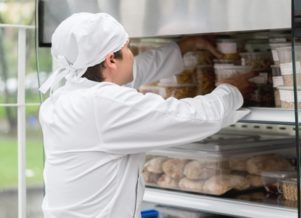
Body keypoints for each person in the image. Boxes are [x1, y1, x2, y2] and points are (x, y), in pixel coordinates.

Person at [39, 12, 256, 218]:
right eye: (128, 48)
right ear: (110, 60)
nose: (132, 54)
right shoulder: (104, 106)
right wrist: (231, 90)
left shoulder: (64, 98)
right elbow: (189, 117)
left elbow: (134, 71)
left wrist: (186, 46)